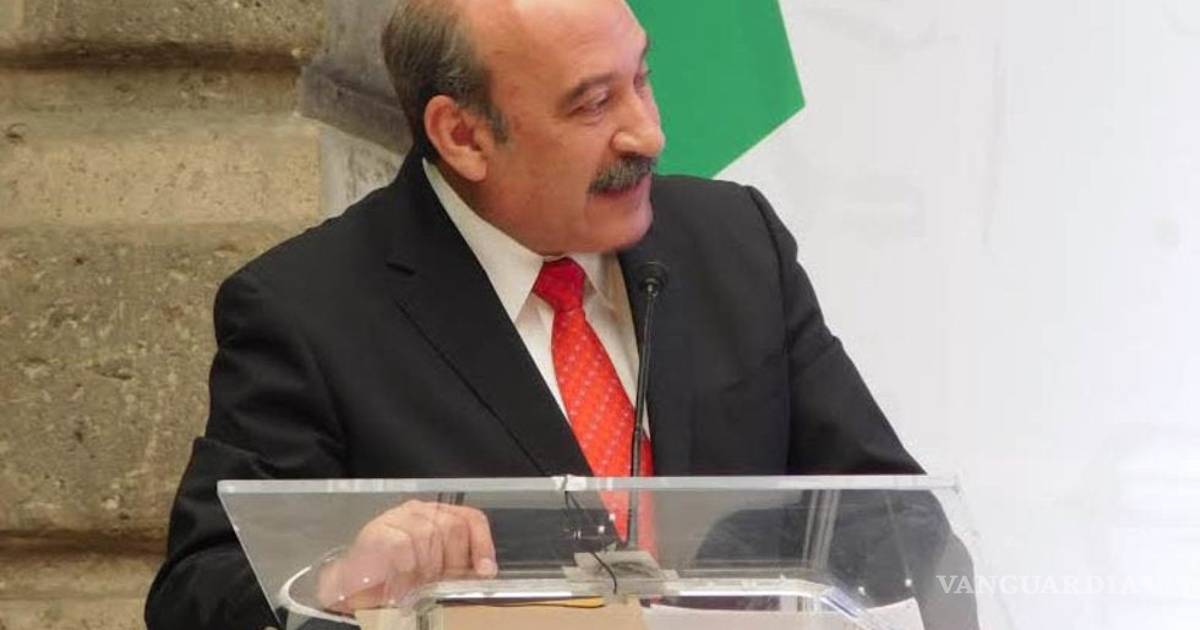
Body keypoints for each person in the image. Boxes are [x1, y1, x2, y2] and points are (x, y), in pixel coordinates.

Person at [145, 0, 937, 628]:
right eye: (593, 104)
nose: (648, 132)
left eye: (642, 78)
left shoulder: (735, 243)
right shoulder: (307, 312)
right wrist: (339, 580)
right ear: (463, 134)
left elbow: (899, 520)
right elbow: (198, 594)